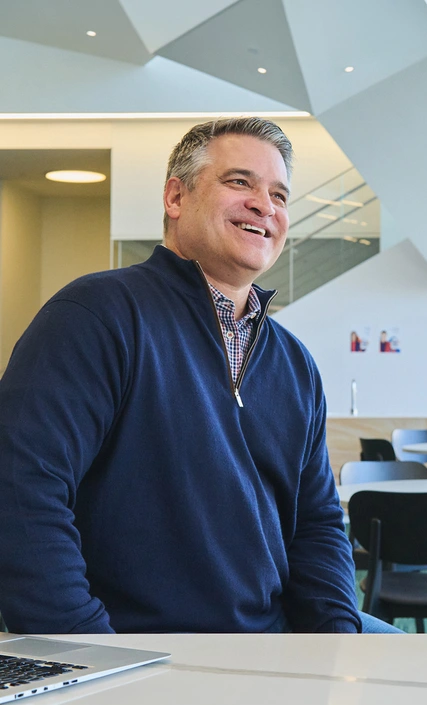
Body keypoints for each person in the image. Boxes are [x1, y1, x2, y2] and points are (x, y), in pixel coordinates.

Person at [0, 117, 399, 634]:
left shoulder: (295, 364)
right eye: (240, 182)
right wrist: (87, 647)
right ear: (175, 197)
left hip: (272, 638)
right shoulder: (97, 315)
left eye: (279, 195)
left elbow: (317, 524)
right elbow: (21, 488)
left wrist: (336, 639)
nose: (265, 206)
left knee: (426, 672)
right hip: (142, 647)